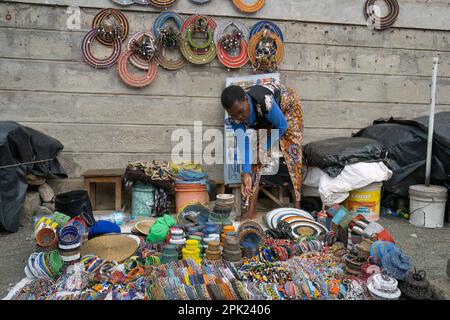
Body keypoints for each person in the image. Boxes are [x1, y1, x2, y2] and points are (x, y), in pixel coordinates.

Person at [221, 83, 304, 219]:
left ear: (246, 100)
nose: (240, 117)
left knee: (292, 150)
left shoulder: (264, 101)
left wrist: (265, 148)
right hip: (263, 118)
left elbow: (282, 126)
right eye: (235, 114)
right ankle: (251, 210)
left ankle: (297, 209)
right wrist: (246, 172)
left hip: (287, 109)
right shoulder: (234, 119)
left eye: (241, 111)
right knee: (255, 155)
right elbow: (244, 145)